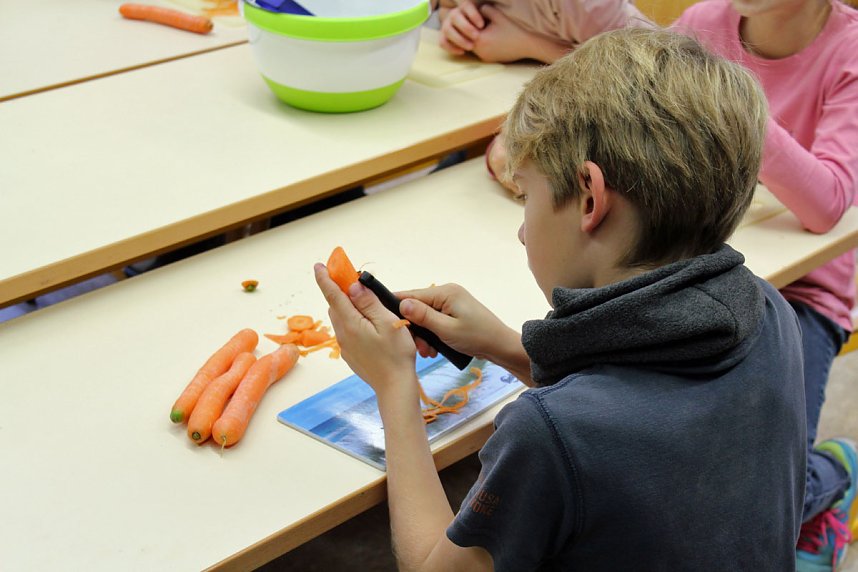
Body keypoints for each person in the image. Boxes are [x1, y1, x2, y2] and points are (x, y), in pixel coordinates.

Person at [315, 28, 806, 569]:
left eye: (526, 195)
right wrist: (502, 345)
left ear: (589, 198)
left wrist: (394, 387)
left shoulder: (548, 436)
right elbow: (637, 401)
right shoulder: (769, 311)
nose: (523, 232)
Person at [674, 2, 858, 569]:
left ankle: (835, 471)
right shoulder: (702, 23)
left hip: (803, 294)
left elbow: (826, 202)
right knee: (670, 470)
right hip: (696, 270)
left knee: (762, 501)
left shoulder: (848, 51)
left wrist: (735, 102)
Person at [437, 0, 654, 192]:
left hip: (605, 125)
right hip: (496, 121)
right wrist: (459, 28)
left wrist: (525, 44)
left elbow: (647, 74)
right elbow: (446, 10)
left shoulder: (587, 7)